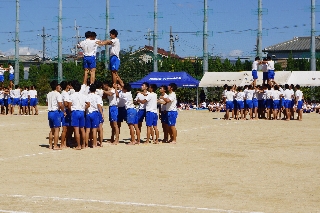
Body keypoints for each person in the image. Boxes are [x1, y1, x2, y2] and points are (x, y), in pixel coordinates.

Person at [118, 77, 140, 145]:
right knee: (136, 126)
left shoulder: (123, 94)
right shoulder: (129, 93)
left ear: (125, 89)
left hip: (130, 110)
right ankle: (138, 140)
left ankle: (133, 140)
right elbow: (122, 84)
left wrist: (116, 88)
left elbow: (117, 95)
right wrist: (117, 76)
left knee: (130, 126)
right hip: (134, 109)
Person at [68, 81, 87, 150]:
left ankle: (78, 145)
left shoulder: (71, 96)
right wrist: (84, 108)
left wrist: (71, 111)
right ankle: (84, 144)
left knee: (76, 129)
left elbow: (69, 106)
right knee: (82, 129)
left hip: (75, 112)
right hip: (81, 112)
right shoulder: (83, 95)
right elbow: (88, 104)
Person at [46, 80, 63, 150]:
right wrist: (63, 110)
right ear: (56, 87)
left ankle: (50, 145)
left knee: (51, 130)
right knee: (57, 129)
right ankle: (55, 145)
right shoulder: (58, 94)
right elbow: (60, 104)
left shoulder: (48, 94)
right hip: (56, 112)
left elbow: (47, 103)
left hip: (50, 112)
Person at [85, 84, 103, 148]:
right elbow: (99, 105)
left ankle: (86, 144)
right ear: (95, 90)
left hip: (88, 113)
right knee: (94, 130)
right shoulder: (97, 96)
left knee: (87, 130)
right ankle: (94, 144)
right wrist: (101, 113)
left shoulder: (87, 96)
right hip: (95, 113)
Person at [60, 81, 71, 149]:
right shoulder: (65, 94)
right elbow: (66, 103)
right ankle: (62, 143)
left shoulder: (63, 93)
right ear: (67, 86)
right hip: (66, 110)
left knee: (67, 128)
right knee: (65, 128)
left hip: (63, 110)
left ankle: (66, 142)